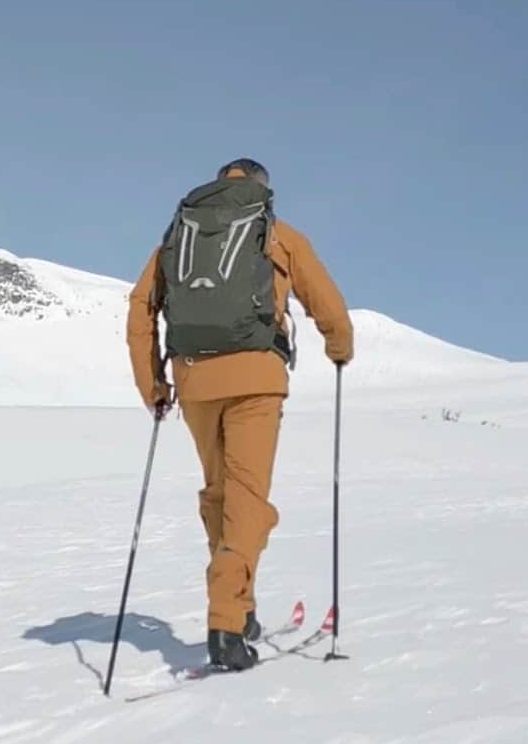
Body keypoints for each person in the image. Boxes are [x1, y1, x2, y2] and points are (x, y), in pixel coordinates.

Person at [125, 157, 353, 671]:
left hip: (195, 381)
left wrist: (154, 386)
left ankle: (240, 603)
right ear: (261, 188)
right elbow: (328, 303)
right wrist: (339, 345)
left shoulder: (179, 235)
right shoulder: (275, 231)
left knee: (220, 495)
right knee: (247, 500)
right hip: (255, 378)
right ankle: (227, 622)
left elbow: (141, 310)